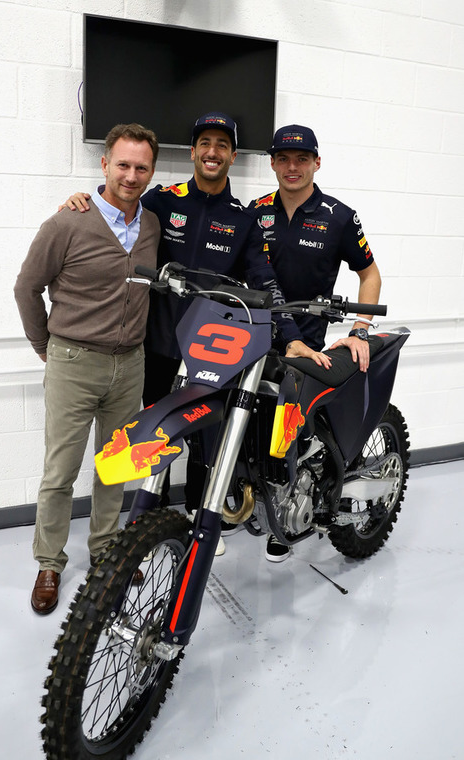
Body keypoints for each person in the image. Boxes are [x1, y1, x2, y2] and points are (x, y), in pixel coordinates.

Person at [61, 112, 296, 557]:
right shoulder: (162, 201)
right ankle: (152, 519)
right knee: (158, 434)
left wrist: (291, 333)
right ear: (192, 152)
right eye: (204, 142)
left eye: (222, 145)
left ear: (231, 155)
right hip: (159, 346)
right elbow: (119, 211)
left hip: (215, 351)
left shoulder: (243, 218)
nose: (212, 151)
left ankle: (197, 513)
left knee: (208, 437)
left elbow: (263, 278)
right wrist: (83, 203)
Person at [14, 123, 160, 615]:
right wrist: (44, 345)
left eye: (141, 167)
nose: (131, 175)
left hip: (130, 366)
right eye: (123, 164)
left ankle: (105, 552)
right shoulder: (67, 223)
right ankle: (49, 563)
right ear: (104, 165)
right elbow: (26, 288)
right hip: (74, 363)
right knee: (60, 471)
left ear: (152, 171)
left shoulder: (153, 225)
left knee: (114, 466)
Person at [249, 124, 382, 562]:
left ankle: (283, 520)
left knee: (289, 436)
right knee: (250, 427)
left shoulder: (338, 215)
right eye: (283, 159)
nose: (292, 167)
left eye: (301, 158)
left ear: (316, 163)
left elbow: (369, 274)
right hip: (252, 338)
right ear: (271, 163)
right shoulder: (255, 211)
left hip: (306, 347)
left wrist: (361, 327)